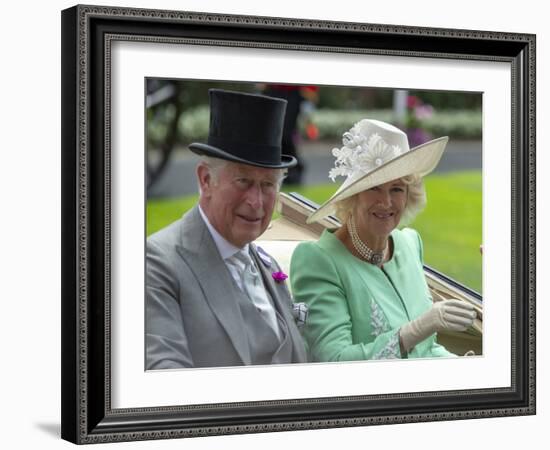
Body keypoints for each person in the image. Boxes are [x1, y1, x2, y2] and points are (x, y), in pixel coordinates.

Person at [290, 119, 477, 362]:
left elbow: (425, 351)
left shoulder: (409, 244)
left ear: (409, 195)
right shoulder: (318, 261)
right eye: (374, 188)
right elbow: (333, 361)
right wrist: (416, 329)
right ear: (353, 195)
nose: (386, 202)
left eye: (397, 189)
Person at [146, 89, 308, 369]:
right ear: (206, 179)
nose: (256, 201)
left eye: (268, 184)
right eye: (243, 181)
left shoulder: (265, 264)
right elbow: (164, 375)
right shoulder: (157, 262)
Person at [262, 84, 319, 185]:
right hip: (274, 90)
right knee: (274, 135)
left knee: (285, 135)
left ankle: (294, 169)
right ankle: (278, 171)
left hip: (293, 93)